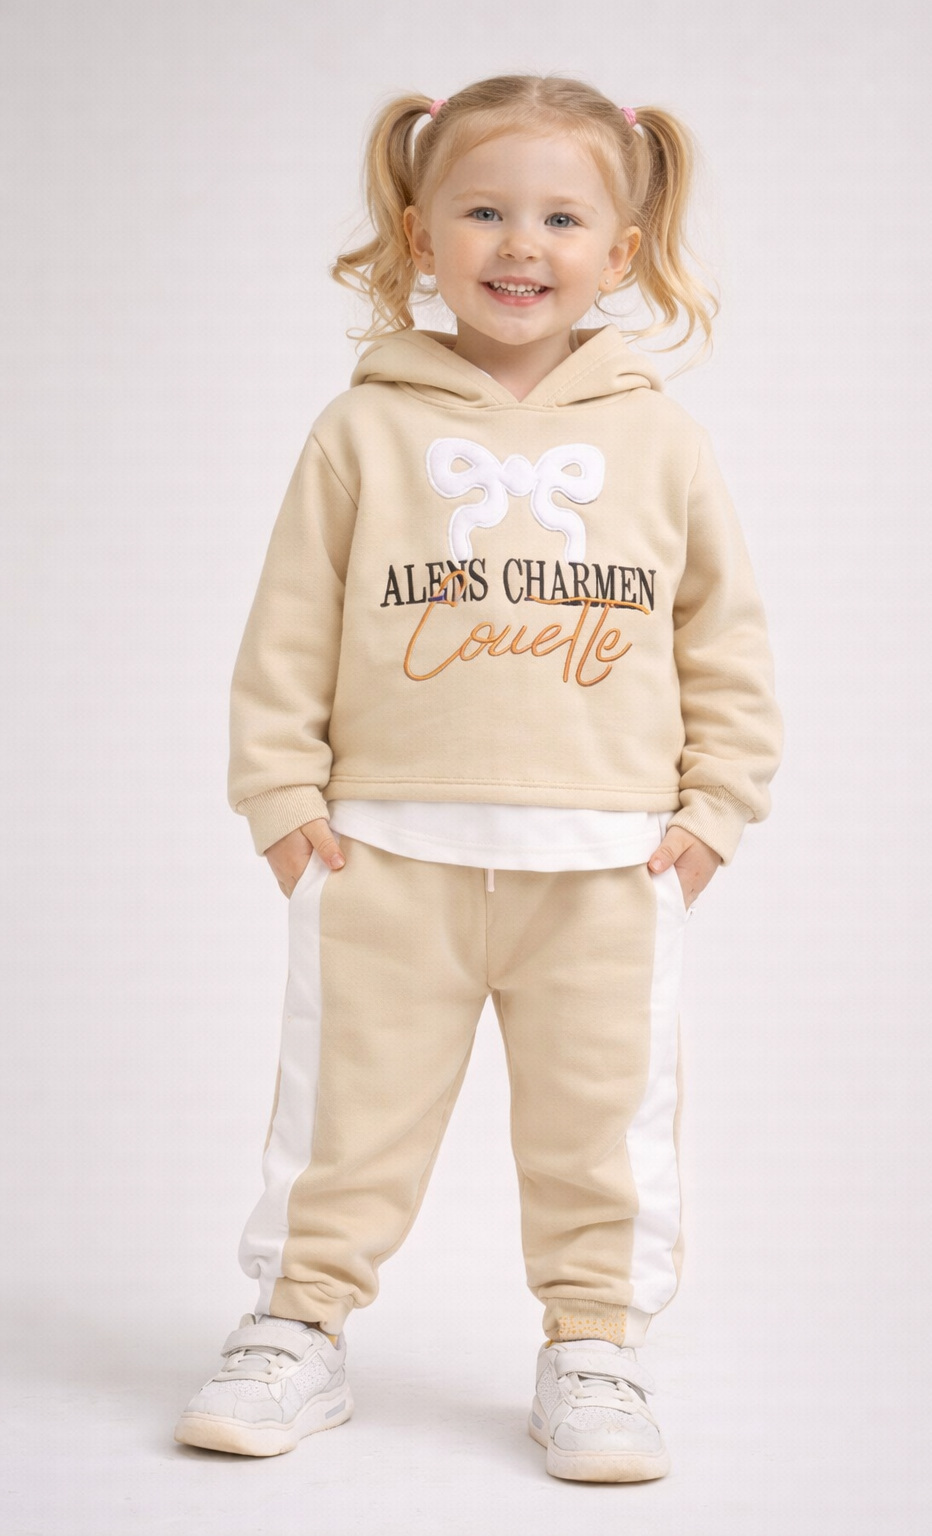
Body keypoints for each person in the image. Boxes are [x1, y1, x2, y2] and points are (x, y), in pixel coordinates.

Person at [174, 72, 784, 1484]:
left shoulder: (661, 440)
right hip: (385, 852)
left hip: (607, 865)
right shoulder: (361, 432)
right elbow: (288, 627)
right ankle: (297, 1325)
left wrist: (713, 813)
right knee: (347, 1116)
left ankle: (595, 1346)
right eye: (485, 212)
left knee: (601, 1131)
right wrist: (282, 800)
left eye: (562, 218)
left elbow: (725, 638)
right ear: (420, 233)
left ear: (620, 250)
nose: (522, 244)